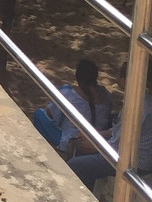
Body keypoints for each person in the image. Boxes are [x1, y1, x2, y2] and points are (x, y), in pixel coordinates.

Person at [69, 61, 152, 190]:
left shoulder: (140, 105)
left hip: (134, 162)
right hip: (126, 153)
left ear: (125, 80)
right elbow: (118, 130)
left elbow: (122, 140)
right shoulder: (140, 100)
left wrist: (96, 146)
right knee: (82, 149)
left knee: (75, 165)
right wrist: (94, 135)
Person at [32, 58, 112, 158]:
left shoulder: (69, 93)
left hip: (71, 142)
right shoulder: (106, 95)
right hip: (97, 139)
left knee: (39, 114)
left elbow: (51, 115)